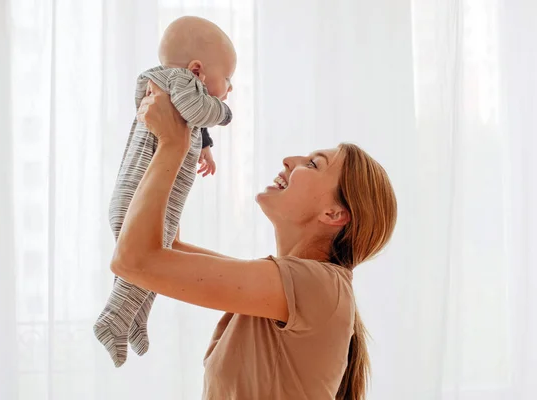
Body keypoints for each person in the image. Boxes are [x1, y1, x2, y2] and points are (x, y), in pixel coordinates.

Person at [112, 82, 398, 399]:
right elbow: (162, 245)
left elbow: (133, 260)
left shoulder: (318, 286)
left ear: (334, 214)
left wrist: (172, 144)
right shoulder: (288, 287)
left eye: (314, 163)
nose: (290, 159)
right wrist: (181, 128)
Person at [93, 16, 236, 367]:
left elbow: (186, 120)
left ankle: (136, 317)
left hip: (142, 196)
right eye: (228, 80)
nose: (230, 89)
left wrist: (204, 146)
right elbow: (197, 110)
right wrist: (225, 112)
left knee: (160, 258)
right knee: (150, 257)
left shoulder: (169, 87)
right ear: (198, 70)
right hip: (142, 198)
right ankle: (113, 319)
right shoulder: (179, 79)